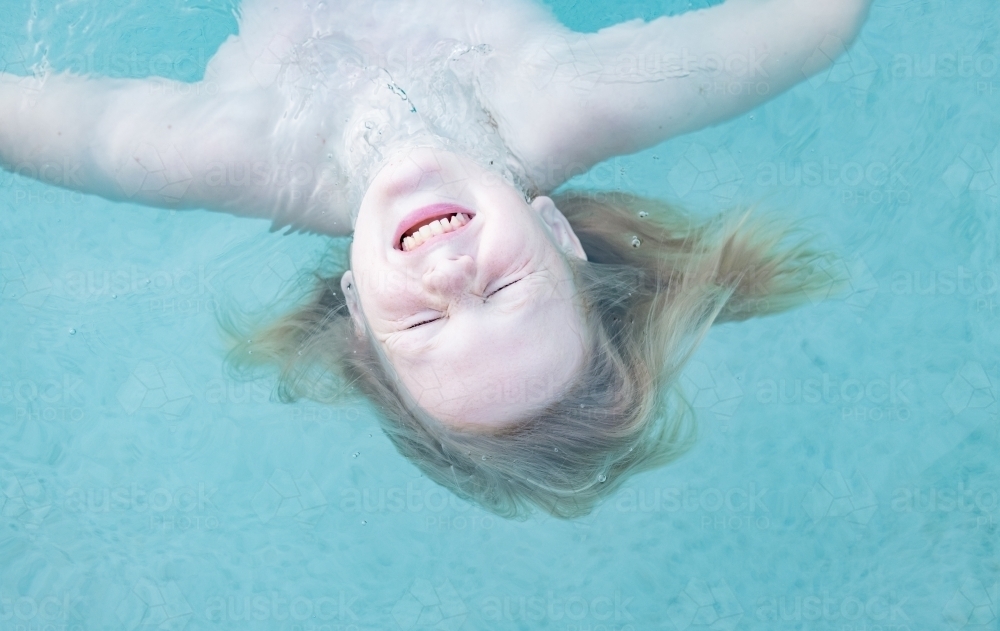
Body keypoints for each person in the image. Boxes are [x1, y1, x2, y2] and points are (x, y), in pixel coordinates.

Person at [0, 0, 872, 517]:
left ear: (357, 303)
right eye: (505, 284)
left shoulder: (238, 153)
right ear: (556, 234)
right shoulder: (569, 101)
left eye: (422, 320)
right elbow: (814, 26)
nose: (451, 276)